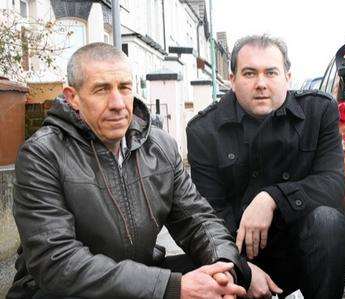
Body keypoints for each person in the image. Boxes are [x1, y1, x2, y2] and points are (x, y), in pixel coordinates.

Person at [7, 42, 251, 299]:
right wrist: (173, 287)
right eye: (101, 90)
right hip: (59, 292)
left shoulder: (160, 146)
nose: (118, 103)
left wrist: (224, 268)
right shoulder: (42, 154)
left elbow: (199, 221)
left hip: (140, 281)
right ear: (72, 97)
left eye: (124, 88)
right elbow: (57, 262)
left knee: (224, 286)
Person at [187, 35, 345, 299]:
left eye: (271, 73)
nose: (261, 84)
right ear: (232, 80)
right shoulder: (204, 130)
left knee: (329, 223)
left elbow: (332, 183)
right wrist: (243, 270)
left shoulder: (319, 112)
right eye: (249, 73)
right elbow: (210, 213)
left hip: (302, 249)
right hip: (237, 254)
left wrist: (272, 198)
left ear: (287, 77)